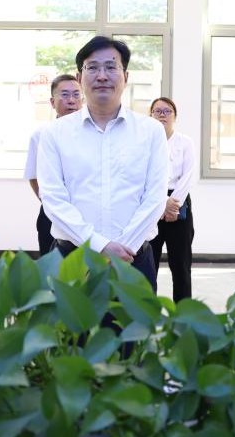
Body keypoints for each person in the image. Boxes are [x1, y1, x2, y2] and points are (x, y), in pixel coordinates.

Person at [37, 36, 168, 291]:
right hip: (72, 259)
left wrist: (121, 249)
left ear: (125, 76)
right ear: (79, 77)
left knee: (134, 320)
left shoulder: (151, 131)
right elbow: (53, 199)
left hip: (134, 260)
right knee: (69, 320)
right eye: (93, 67)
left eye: (111, 67)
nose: (102, 76)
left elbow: (155, 197)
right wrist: (101, 246)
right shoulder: (55, 133)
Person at [23, 74, 82, 257]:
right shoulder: (41, 135)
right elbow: (33, 177)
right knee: (53, 268)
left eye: (76, 94)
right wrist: (52, 205)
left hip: (86, 213)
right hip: (51, 215)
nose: (71, 100)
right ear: (52, 102)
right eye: (64, 95)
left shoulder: (94, 133)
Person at [148, 97, 197, 301]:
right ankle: (147, 311)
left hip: (179, 202)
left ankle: (183, 313)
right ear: (150, 115)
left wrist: (171, 204)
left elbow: (188, 175)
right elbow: (142, 176)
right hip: (151, 204)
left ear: (175, 116)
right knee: (149, 264)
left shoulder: (185, 142)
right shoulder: (145, 142)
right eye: (157, 111)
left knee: (181, 265)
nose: (162, 115)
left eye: (167, 111)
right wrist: (162, 202)